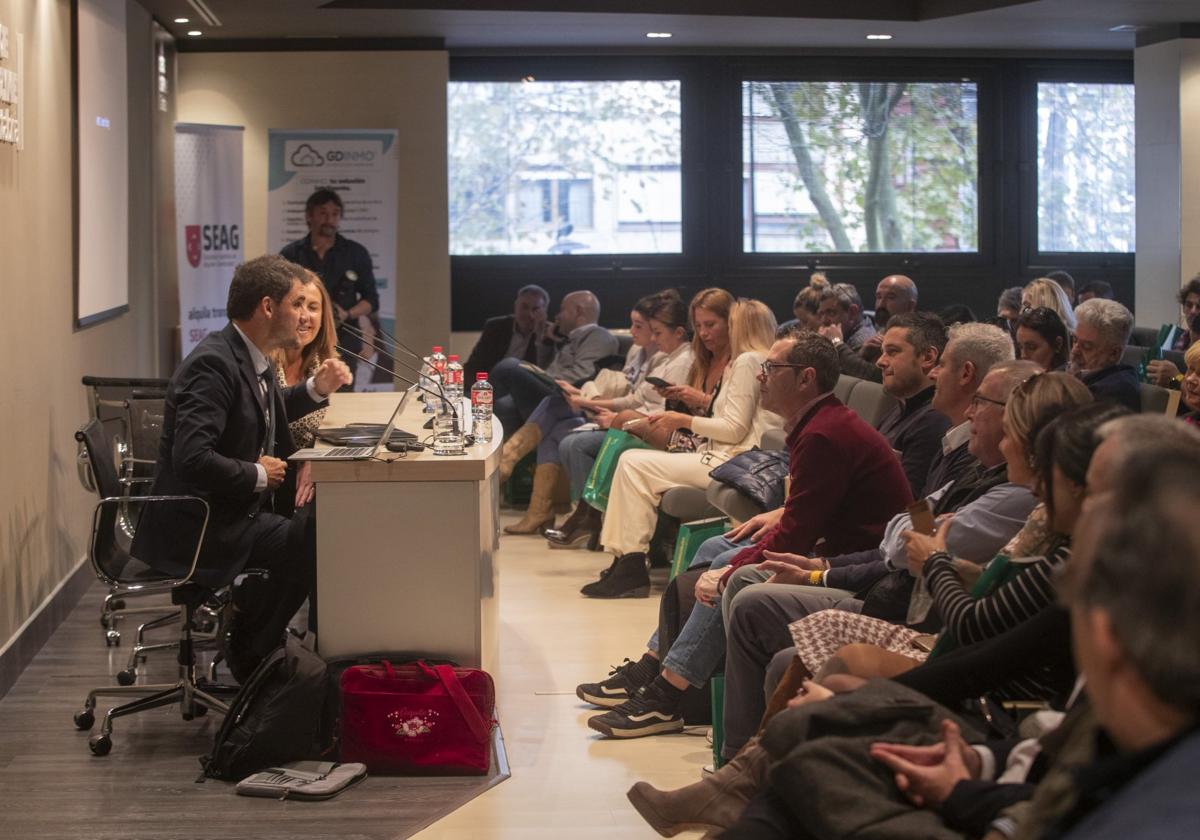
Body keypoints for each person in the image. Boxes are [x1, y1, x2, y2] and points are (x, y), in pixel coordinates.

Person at [580, 331, 911, 736]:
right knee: (717, 544)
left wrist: (728, 571)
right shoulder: (820, 423)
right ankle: (655, 662)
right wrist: (777, 516)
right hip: (835, 545)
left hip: (851, 564)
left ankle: (666, 696)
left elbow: (795, 539)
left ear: (806, 378)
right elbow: (810, 510)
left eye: (772, 369)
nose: (761, 377)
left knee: (730, 569)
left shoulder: (824, 434)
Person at [717, 358, 1038, 760]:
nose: (972, 411)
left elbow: (909, 547)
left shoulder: (1013, 493)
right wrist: (826, 569)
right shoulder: (972, 463)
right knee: (737, 574)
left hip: (917, 620)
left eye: (982, 403)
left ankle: (743, 761)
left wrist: (826, 573)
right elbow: (904, 526)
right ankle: (736, 755)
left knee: (748, 592)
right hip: (890, 591)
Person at [131, 255, 353, 681]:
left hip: (229, 512)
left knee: (316, 525)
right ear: (268, 308)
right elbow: (191, 459)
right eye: (295, 303)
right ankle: (252, 645)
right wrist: (257, 473)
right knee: (313, 539)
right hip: (200, 525)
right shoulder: (213, 364)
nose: (303, 316)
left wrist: (315, 388)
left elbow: (266, 409)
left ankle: (257, 627)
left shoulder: (251, 355)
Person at [581, 299, 782, 599]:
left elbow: (733, 429)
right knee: (633, 461)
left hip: (735, 460)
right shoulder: (760, 360)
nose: (705, 333)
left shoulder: (746, 361)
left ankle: (629, 563)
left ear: (738, 326)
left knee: (634, 463)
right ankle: (626, 561)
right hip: (738, 457)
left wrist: (682, 419)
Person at [497, 291, 678, 535]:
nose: (632, 331)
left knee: (519, 375)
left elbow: (641, 401)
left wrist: (591, 401)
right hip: (611, 410)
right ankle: (541, 511)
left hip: (628, 418)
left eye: (640, 326)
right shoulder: (636, 352)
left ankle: (510, 461)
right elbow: (626, 388)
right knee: (555, 418)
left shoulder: (666, 358)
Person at [546, 293, 694, 548]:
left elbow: (663, 411)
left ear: (679, 332)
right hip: (648, 423)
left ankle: (589, 514)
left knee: (595, 441)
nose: (654, 338)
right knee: (572, 428)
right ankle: (588, 515)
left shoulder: (682, 360)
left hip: (667, 431)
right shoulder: (664, 357)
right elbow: (635, 398)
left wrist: (608, 413)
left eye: (656, 332)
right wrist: (589, 403)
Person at [488, 290, 618, 435]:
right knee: (505, 403)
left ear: (578, 311)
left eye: (562, 310)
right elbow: (546, 367)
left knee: (510, 365)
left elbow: (581, 376)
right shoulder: (569, 339)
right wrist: (546, 343)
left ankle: (474, 417)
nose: (557, 317)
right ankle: (496, 451)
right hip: (552, 391)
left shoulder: (598, 335)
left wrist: (541, 377)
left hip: (569, 398)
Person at [280, 188, 377, 355]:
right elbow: (281, 297)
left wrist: (346, 314)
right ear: (309, 216)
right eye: (323, 213)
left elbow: (372, 300)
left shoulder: (356, 253)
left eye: (335, 214)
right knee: (303, 382)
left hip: (345, 341)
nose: (329, 220)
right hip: (302, 341)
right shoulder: (291, 254)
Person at [875, 312, 952, 496]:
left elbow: (908, 503)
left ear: (927, 357)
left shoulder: (934, 420)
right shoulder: (900, 407)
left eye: (892, 352)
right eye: (882, 352)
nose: (880, 362)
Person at [269, 276, 339, 449]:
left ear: (323, 317)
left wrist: (312, 458)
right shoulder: (263, 360)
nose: (304, 316)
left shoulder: (322, 362)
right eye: (297, 305)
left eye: (313, 308)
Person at [822, 274, 918, 382]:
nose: (881, 304)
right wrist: (863, 354)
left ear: (910, 306)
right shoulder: (881, 332)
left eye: (891, 297)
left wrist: (836, 343)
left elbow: (877, 377)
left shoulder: (912, 339)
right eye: (879, 297)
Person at [462, 284, 549, 383]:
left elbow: (543, 376)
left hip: (522, 389)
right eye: (524, 307)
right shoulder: (495, 326)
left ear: (544, 311)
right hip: (488, 384)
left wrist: (539, 337)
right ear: (515, 306)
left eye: (535, 309)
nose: (529, 314)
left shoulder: (549, 335)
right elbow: (474, 364)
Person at [1069, 297, 1139, 412]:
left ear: (1114, 354)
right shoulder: (1070, 371)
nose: (1075, 351)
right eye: (1074, 340)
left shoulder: (1117, 392)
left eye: (1087, 347)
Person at [1144, 274, 1200, 386]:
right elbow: (1173, 382)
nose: (1193, 311)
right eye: (1189, 305)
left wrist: (1177, 376)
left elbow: (1192, 389)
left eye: (1199, 307)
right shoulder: (1175, 339)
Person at [349, 313, 395, 392]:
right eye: (351, 332)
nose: (355, 337)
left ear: (373, 331)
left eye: (360, 330)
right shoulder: (345, 367)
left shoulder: (392, 366)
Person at [1015, 306, 1070, 371]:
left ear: (1058, 344)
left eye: (1031, 347)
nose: (1023, 355)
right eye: (1020, 347)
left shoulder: (1071, 379)